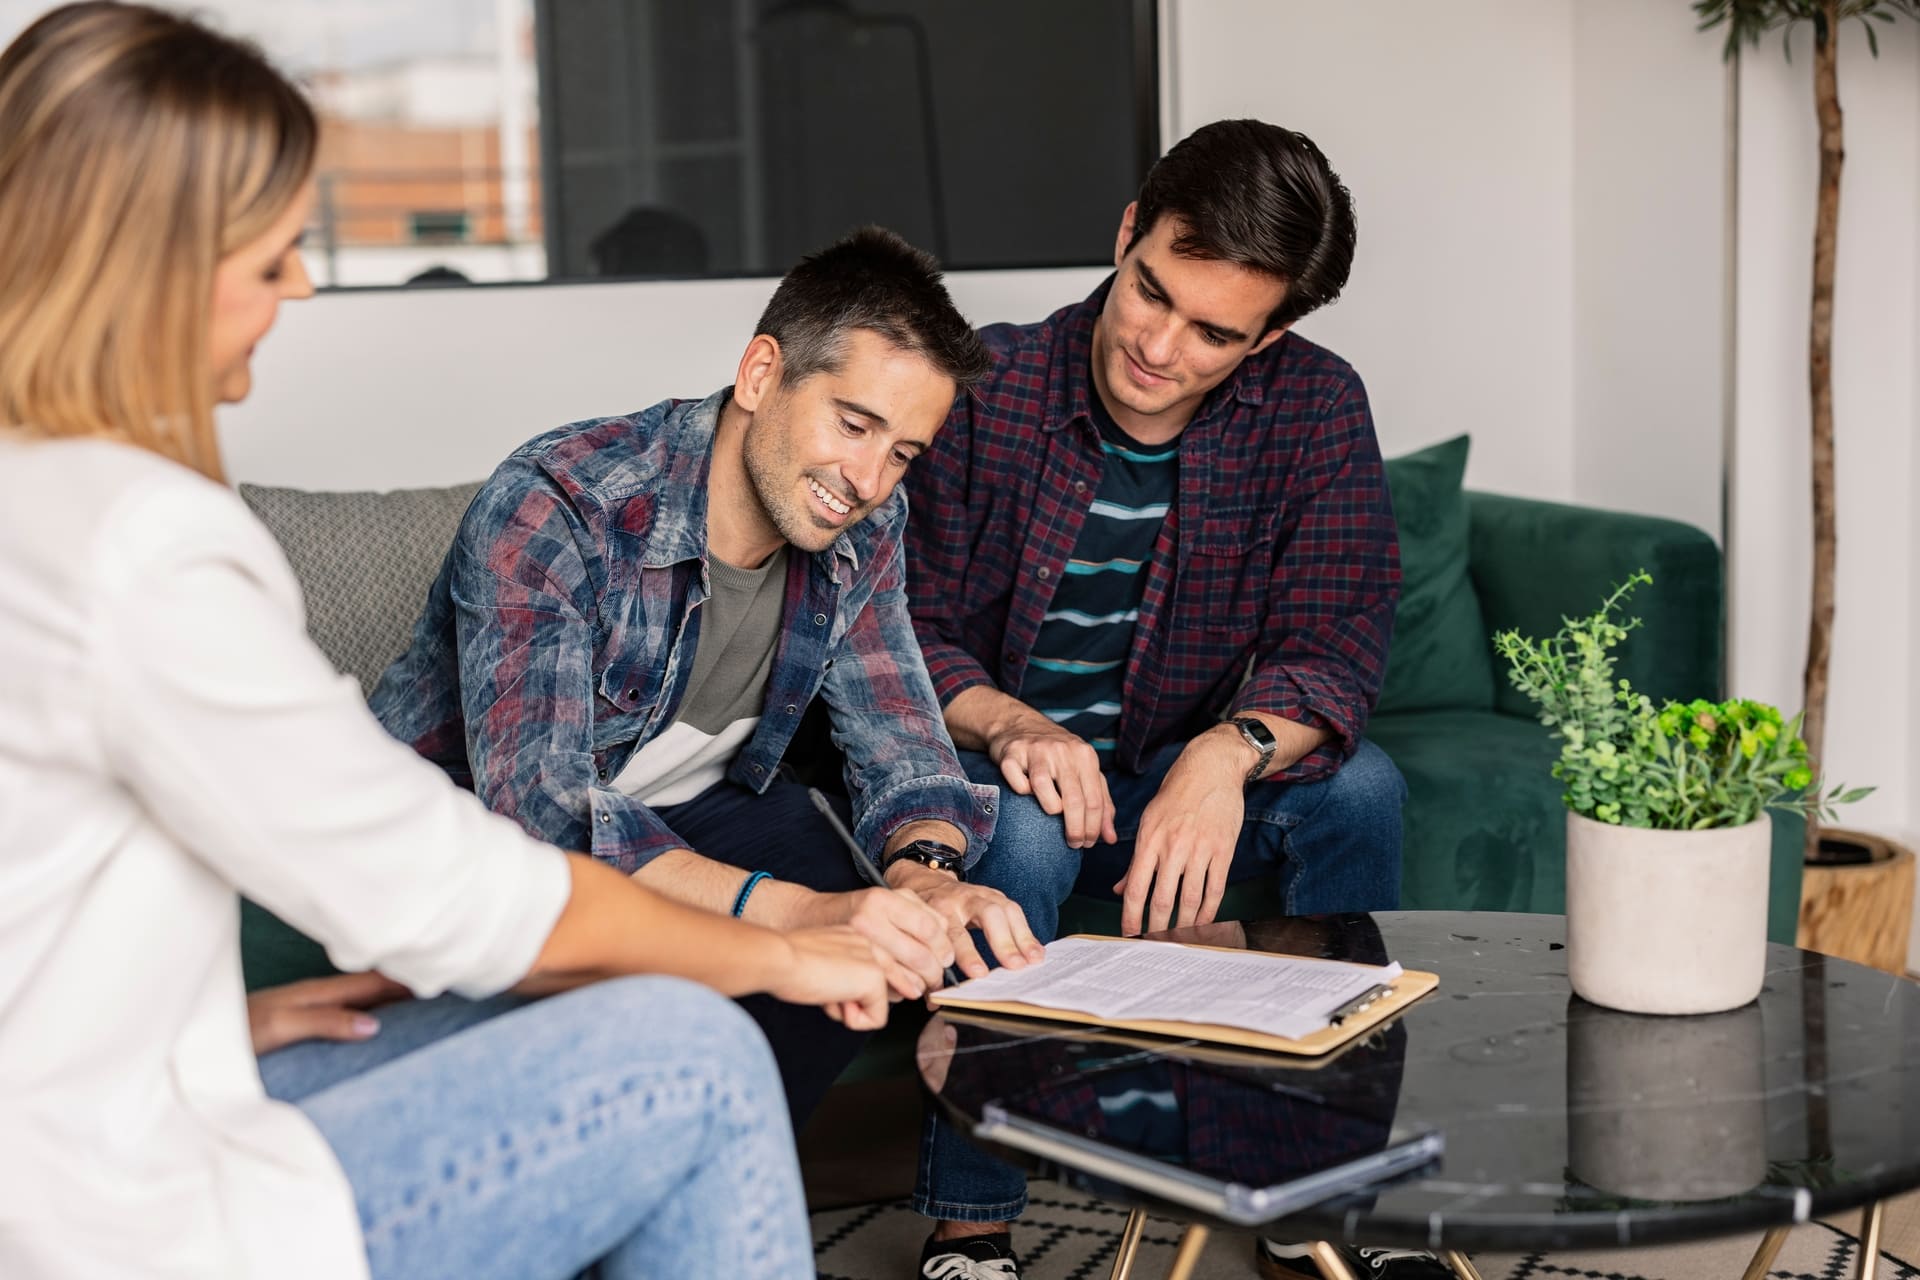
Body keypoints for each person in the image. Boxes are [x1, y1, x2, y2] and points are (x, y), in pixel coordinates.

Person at [0, 5, 892, 1278]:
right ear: (144, 266)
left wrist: (212, 1020)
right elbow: (476, 890)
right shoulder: (141, 545)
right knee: (694, 1052)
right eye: (270, 257)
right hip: (105, 1209)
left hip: (91, 1100)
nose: (301, 283)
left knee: (615, 993)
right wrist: (785, 948)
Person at [369, 225, 1045, 1130]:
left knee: (897, 945)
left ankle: (700, 1160)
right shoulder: (558, 504)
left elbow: (897, 731)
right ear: (763, 373)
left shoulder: (868, 527)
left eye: (902, 453)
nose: (870, 479)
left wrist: (923, 875)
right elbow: (540, 815)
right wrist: (794, 916)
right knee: (805, 933)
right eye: (853, 424)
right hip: (470, 823)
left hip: (691, 805)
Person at [901, 118, 1411, 1278]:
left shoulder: (1316, 408)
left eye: (1215, 332)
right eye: (1151, 293)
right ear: (1130, 231)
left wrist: (1221, 755)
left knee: (1362, 792)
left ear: (1271, 331)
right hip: (1002, 767)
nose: (1160, 347)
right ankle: (972, 1221)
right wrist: (1009, 721)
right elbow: (892, 624)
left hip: (1171, 770)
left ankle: (1307, 1182)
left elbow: (1335, 643)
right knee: (1017, 832)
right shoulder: (987, 384)